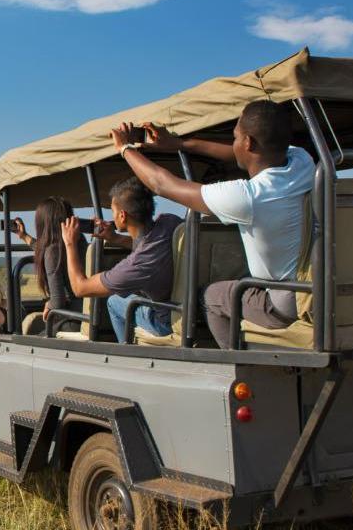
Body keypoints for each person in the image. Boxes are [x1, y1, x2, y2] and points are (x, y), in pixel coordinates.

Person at [112, 99, 315, 348]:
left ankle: (232, 361)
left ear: (248, 143)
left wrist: (125, 149)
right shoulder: (302, 162)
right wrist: (179, 144)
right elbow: (239, 153)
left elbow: (161, 184)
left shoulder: (249, 197)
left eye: (235, 137)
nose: (233, 144)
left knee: (210, 296)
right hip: (313, 291)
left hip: (281, 304)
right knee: (236, 285)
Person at [59, 178, 182, 342]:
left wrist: (69, 243)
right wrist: (114, 237)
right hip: (190, 310)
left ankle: (125, 351)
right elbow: (148, 244)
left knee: (115, 301)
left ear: (122, 215)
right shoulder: (170, 222)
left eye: (113, 212)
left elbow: (80, 288)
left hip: (165, 321)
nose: (112, 216)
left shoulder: (137, 265)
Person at [12, 198, 87, 333]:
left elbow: (58, 301)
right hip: (86, 315)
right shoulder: (80, 241)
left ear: (44, 223)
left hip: (72, 320)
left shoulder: (53, 251)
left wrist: (49, 303)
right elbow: (46, 251)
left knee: (30, 341)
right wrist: (24, 236)